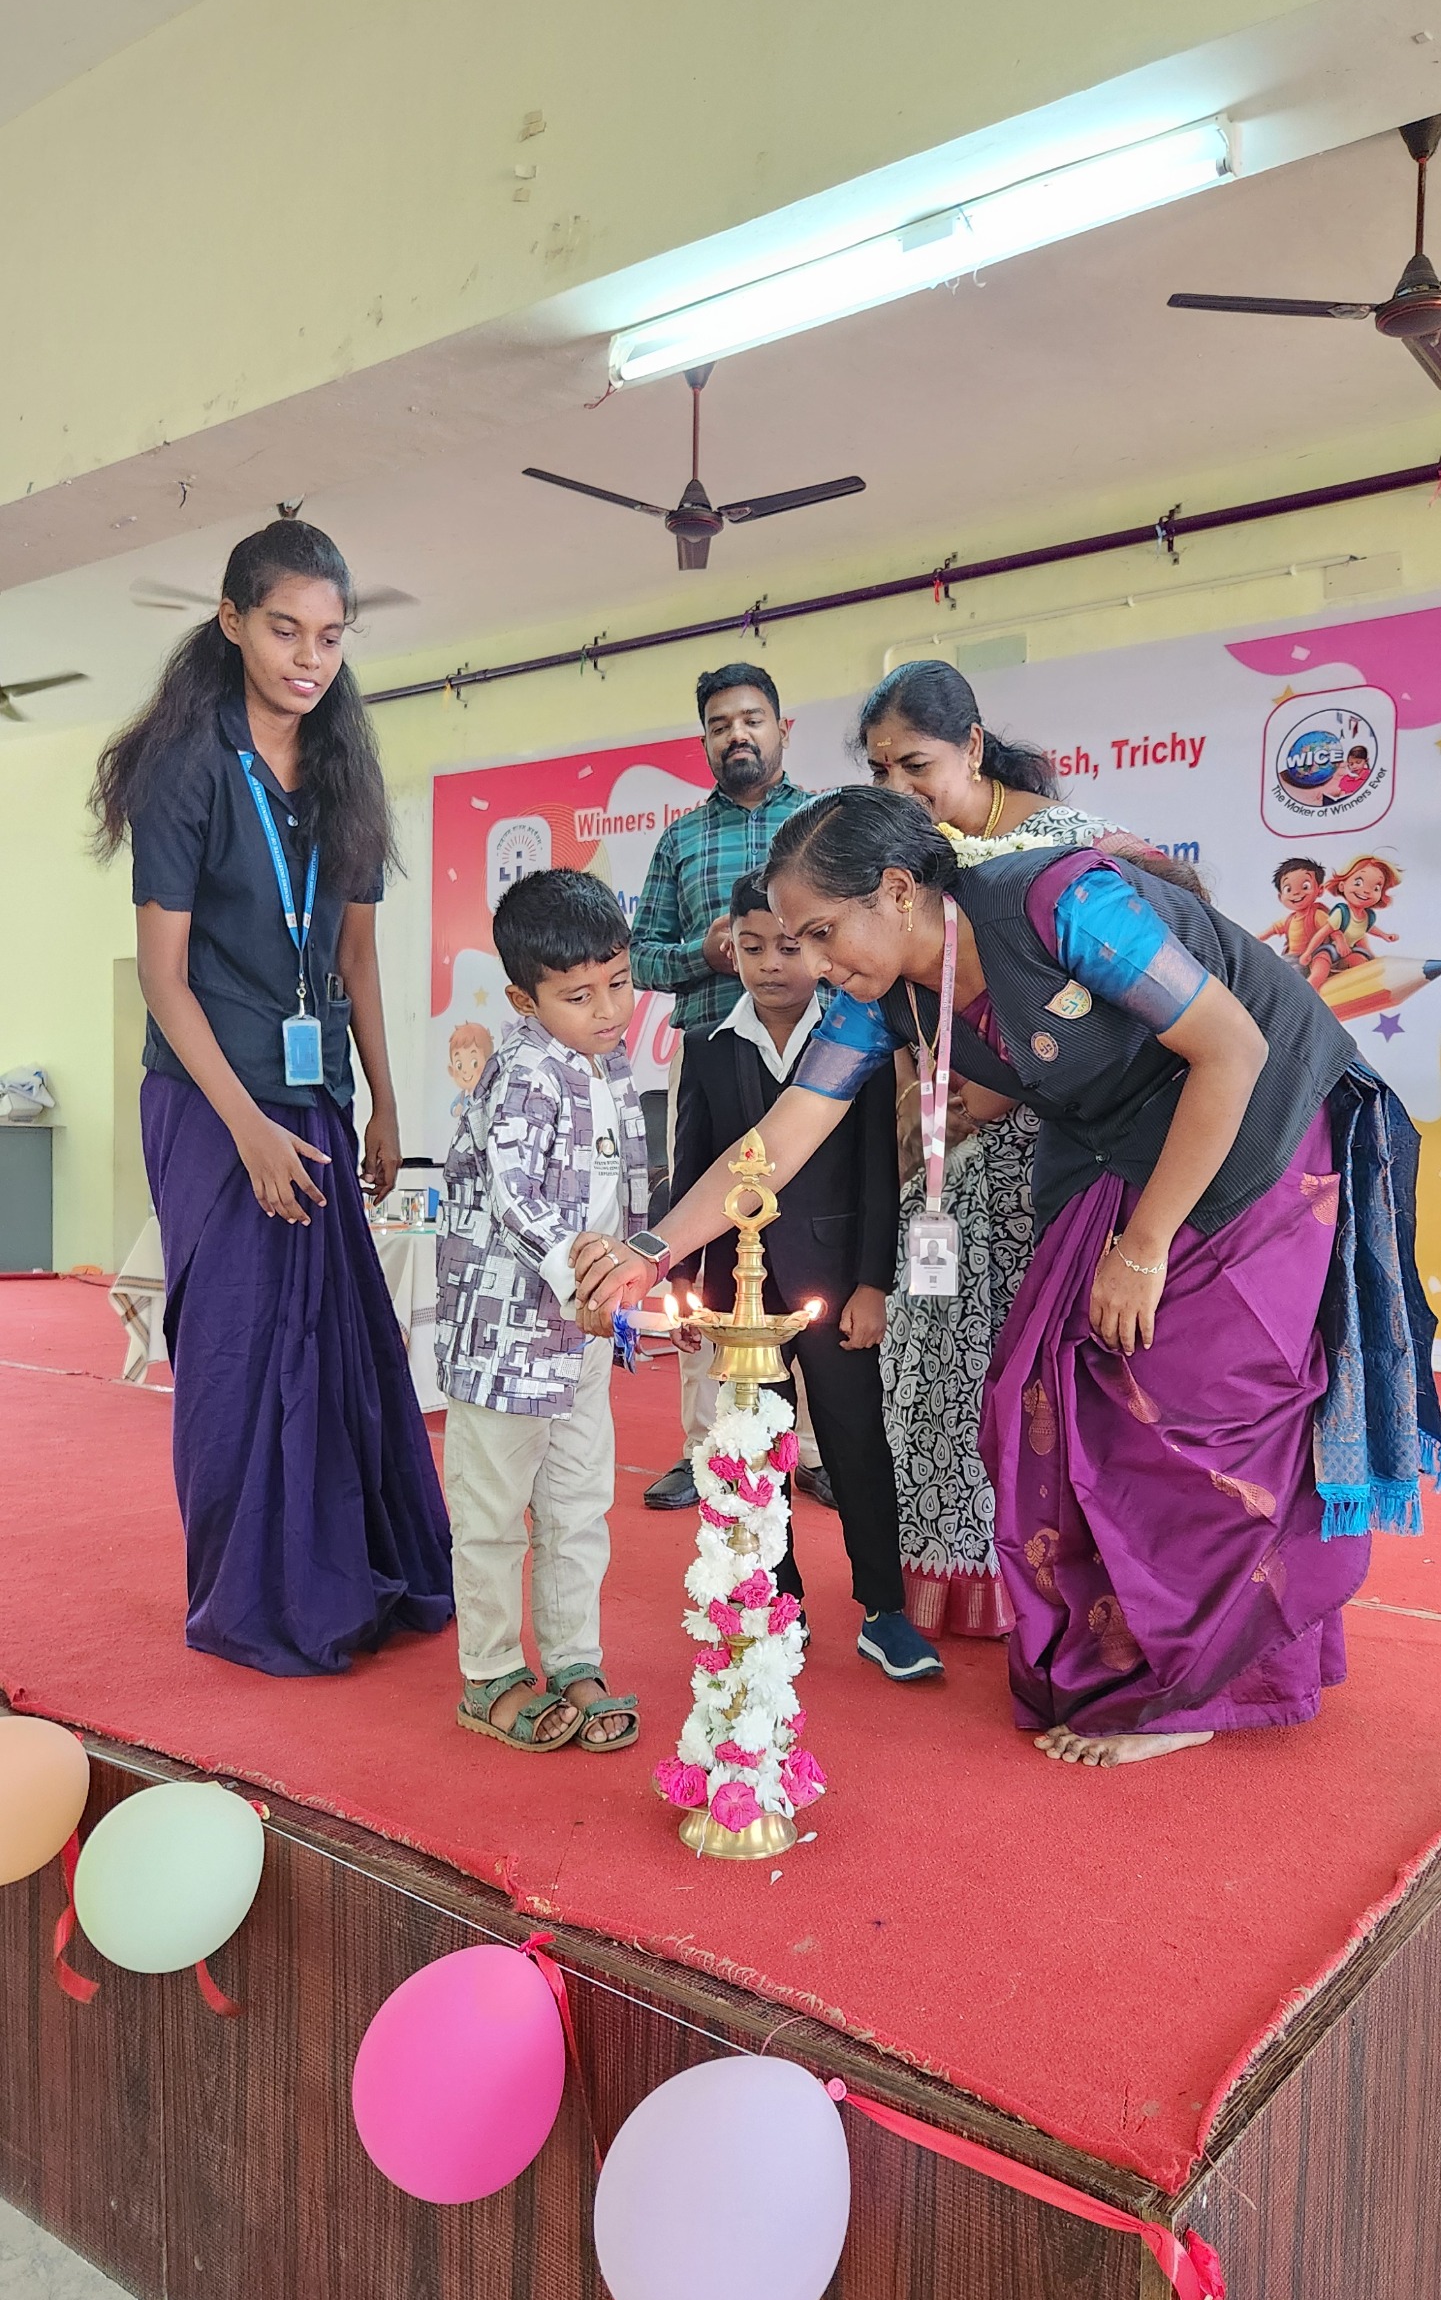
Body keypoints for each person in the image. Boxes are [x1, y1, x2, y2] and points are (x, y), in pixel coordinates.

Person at [576, 789, 1439, 1769]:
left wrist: (1144, 1246)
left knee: (1192, 1407)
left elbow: (1231, 1047)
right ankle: (1133, 1652)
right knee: (1043, 1397)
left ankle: (1202, 1687)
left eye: (822, 932)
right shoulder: (881, 999)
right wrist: (653, 1247)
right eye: (795, 941)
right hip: (1118, 1153)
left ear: (897, 890)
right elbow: (778, 1139)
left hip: (1254, 1133)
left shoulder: (1060, 903)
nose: (811, 963)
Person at [89, 519, 452, 1677]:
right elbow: (162, 974)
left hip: (316, 1097)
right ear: (234, 621)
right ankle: (248, 1594)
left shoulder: (342, 764)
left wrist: (386, 1102)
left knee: (339, 1341)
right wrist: (245, 1127)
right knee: (243, 1347)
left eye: (332, 636)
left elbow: (352, 958)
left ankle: (344, 1579)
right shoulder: (187, 767)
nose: (309, 657)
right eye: (285, 628)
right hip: (210, 1100)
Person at [856, 660, 1189, 1642]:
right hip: (952, 1165)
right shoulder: (905, 867)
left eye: (913, 761)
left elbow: (1133, 1013)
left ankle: (1080, 1593)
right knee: (949, 1376)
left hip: (1072, 1160)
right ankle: (963, 1579)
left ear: (970, 746)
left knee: (1059, 1378)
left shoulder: (1064, 854)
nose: (896, 786)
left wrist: (1001, 1090)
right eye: (877, 768)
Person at [669, 873, 939, 1680]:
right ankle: (771, 1601)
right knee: (757, 1449)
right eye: (751, 947)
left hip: (835, 1287)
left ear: (817, 949)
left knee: (857, 1443)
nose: (769, 964)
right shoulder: (707, 1048)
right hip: (741, 1298)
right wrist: (684, 1275)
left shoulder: (853, 1036)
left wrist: (872, 1285)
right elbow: (692, 1169)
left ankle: (884, 1611)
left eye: (789, 945)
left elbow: (874, 1173)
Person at [436, 869, 648, 1751]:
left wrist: (621, 1284)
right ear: (524, 998)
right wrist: (586, 1282)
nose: (608, 1010)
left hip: (584, 1333)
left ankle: (571, 1656)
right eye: (578, 996)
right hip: (506, 1338)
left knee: (578, 1500)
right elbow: (522, 1200)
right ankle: (487, 1675)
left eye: (619, 983)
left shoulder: (612, 1062)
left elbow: (622, 1193)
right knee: (490, 1512)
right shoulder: (521, 1071)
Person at [630, 662, 826, 1511]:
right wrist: (701, 957)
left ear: (783, 728)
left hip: (817, 1062)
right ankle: (705, 1442)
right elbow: (638, 954)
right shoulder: (680, 840)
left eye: (751, 719)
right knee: (704, 1245)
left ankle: (812, 1448)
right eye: (719, 724)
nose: (736, 734)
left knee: (811, 1238)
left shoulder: (825, 825)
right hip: (711, 1054)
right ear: (704, 739)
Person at [1300, 854, 1402, 989]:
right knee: (1319, 974)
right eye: (1358, 883)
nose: (1366, 891)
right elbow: (1323, 933)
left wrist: (1384, 935)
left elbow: (1369, 928)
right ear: (1342, 885)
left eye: (1376, 888)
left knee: (1364, 967)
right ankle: (1307, 992)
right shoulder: (1342, 912)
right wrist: (1308, 953)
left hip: (1349, 952)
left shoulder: (1368, 916)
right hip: (1329, 951)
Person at [1258, 859, 1332, 974]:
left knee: (1291, 976)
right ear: (1280, 897)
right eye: (1288, 889)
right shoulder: (1289, 920)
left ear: (1320, 890)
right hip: (1287, 959)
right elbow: (1266, 933)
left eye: (1305, 886)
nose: (1296, 893)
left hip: (1307, 960)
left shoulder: (1317, 915)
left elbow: (1334, 931)